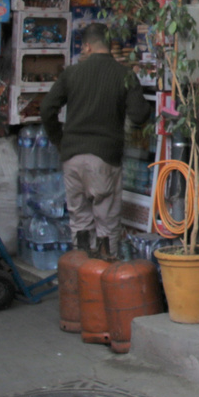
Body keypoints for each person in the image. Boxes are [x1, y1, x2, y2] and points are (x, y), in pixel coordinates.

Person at [41, 23, 151, 259]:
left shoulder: (71, 73)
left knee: (79, 221)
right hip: (104, 159)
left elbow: (46, 109)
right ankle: (103, 280)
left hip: (72, 158)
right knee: (107, 224)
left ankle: (82, 280)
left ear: (87, 46)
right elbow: (140, 115)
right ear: (109, 45)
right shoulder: (125, 75)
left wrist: (60, 141)